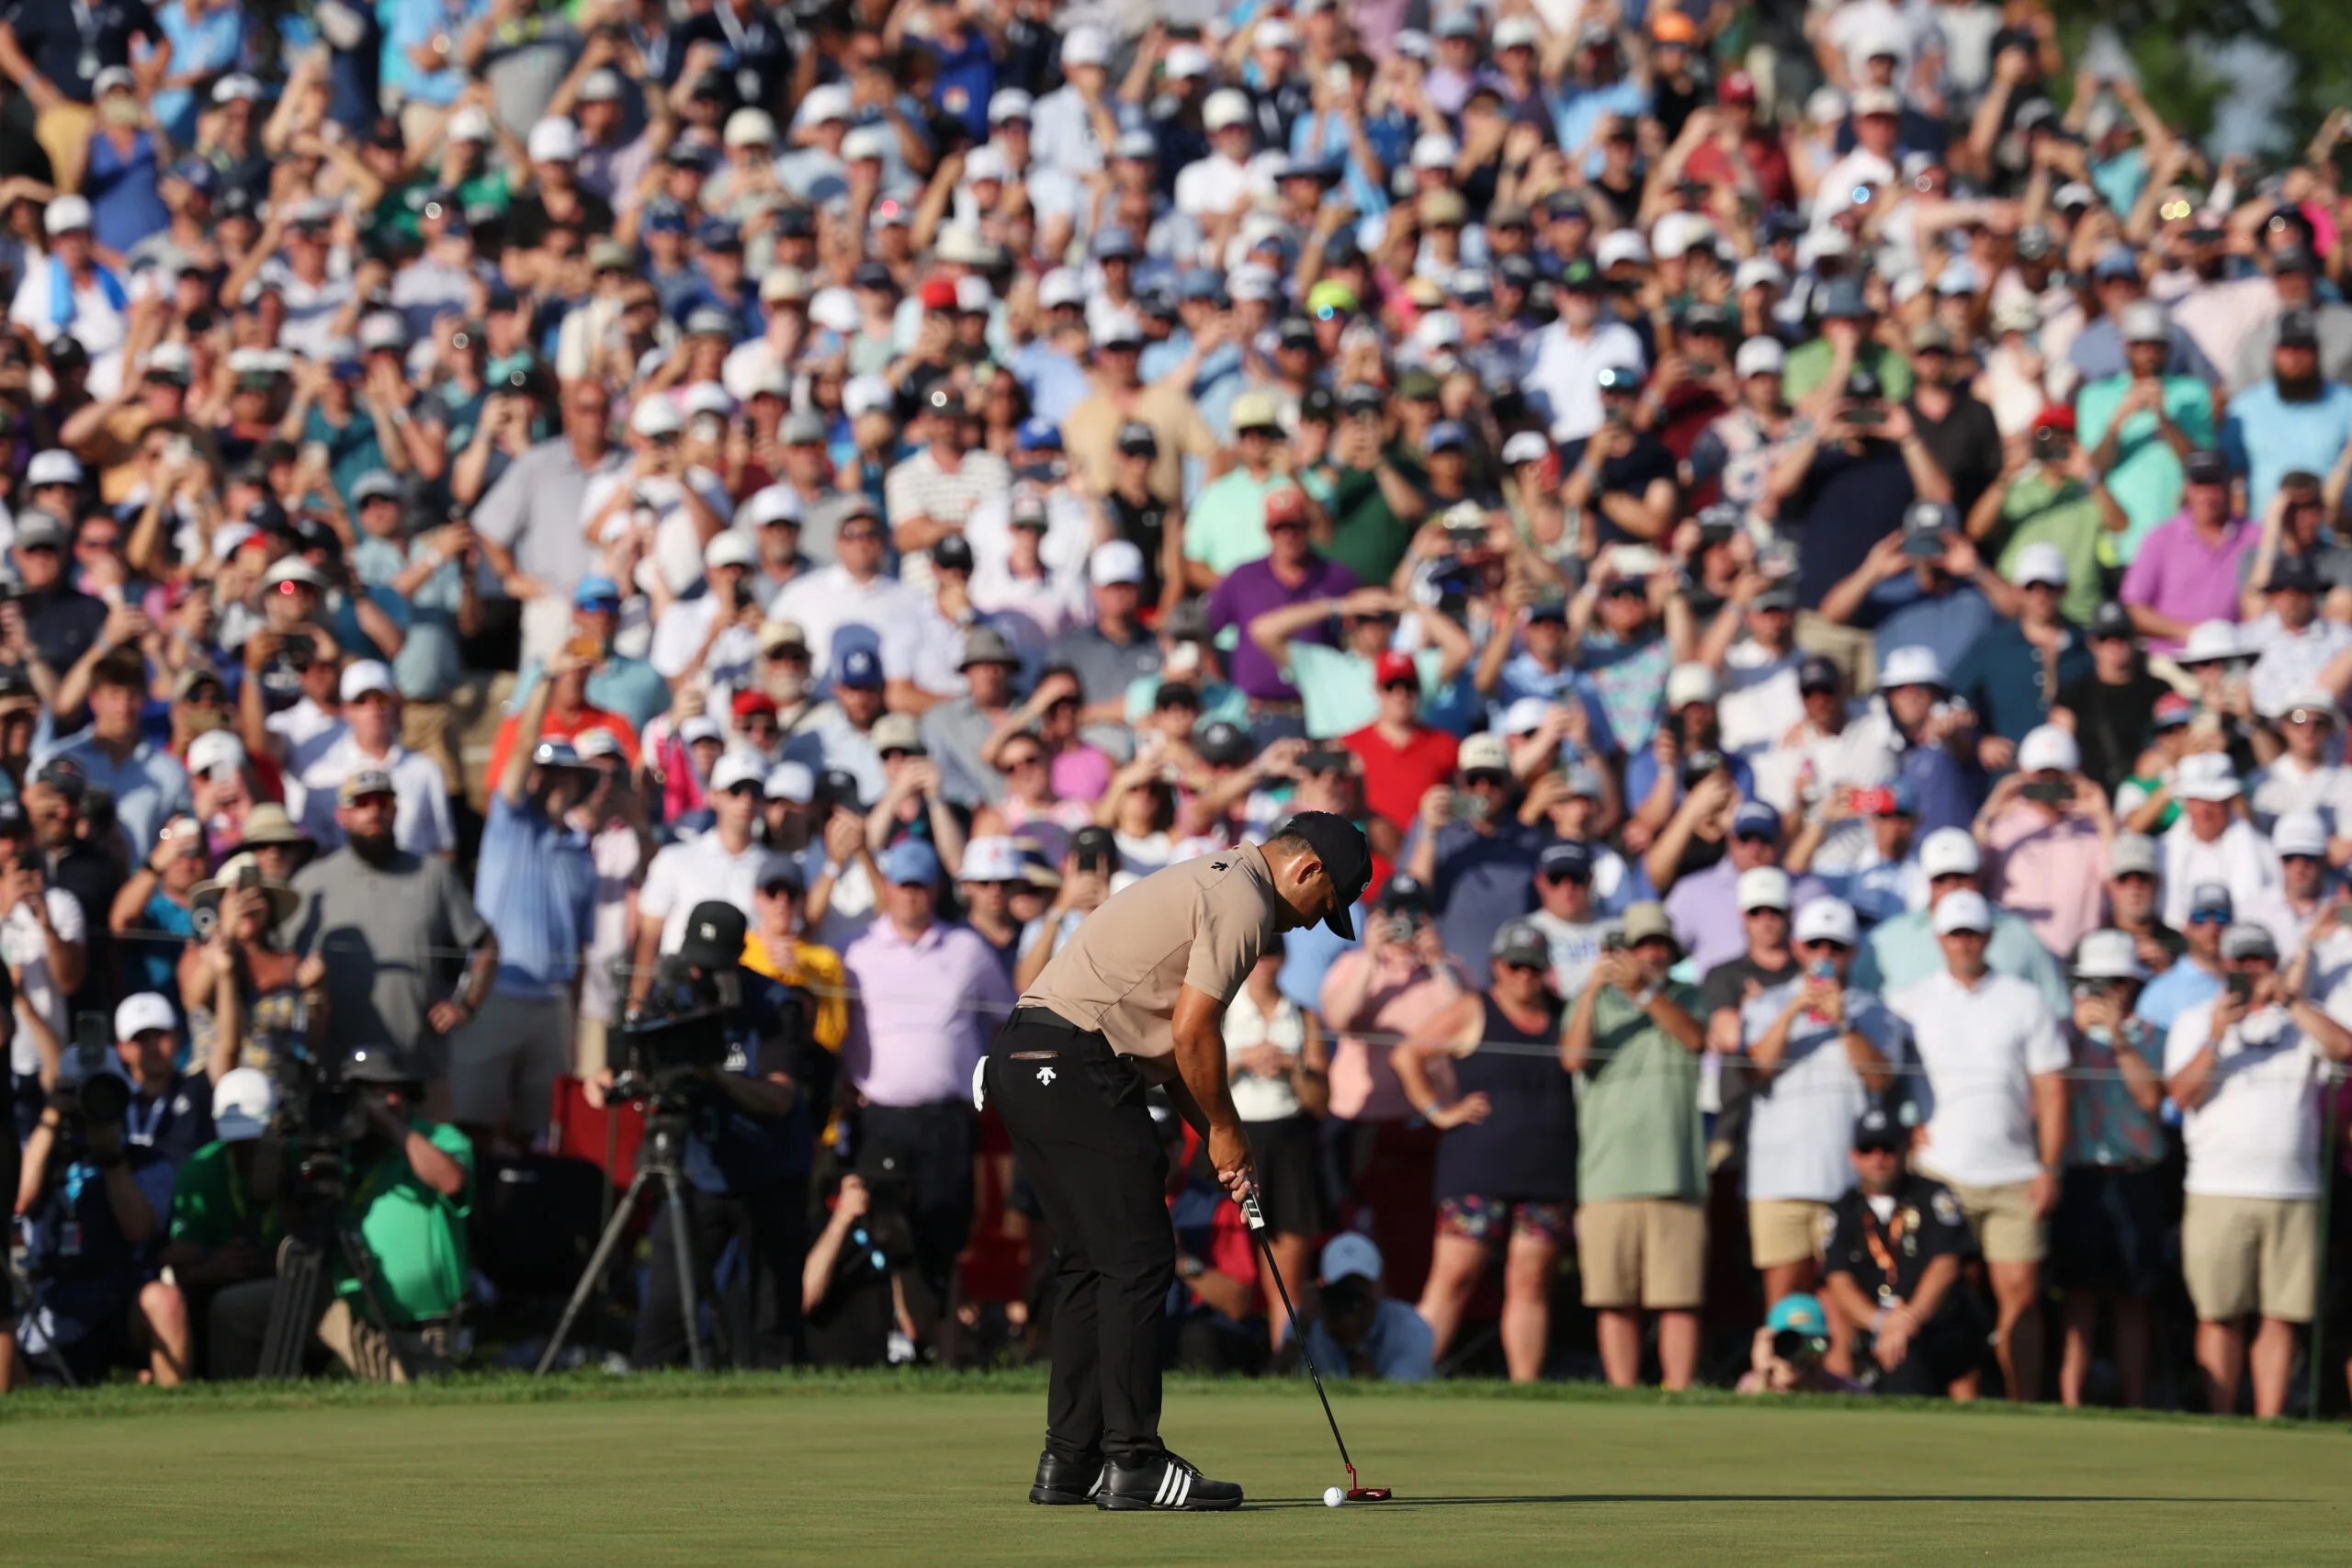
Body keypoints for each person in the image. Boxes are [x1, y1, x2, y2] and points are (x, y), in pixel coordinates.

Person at [984, 813, 1368, 1512]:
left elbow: (1170, 1054)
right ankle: (1133, 1459)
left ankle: (1069, 1461)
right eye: (1327, 908)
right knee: (1136, 1258)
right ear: (1308, 871)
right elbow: (1194, 1031)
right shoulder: (1246, 900)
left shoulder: (1212, 876)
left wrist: (1225, 1135)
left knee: (1088, 1263)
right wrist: (1224, 1128)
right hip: (1077, 1063)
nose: (1316, 925)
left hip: (1023, 1057)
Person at [605, 901, 818, 1371]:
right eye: (694, 961)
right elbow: (640, 1063)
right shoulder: (674, 997)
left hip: (771, 1172)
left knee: (771, 1319)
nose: (699, 973)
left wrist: (715, 1078)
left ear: (739, 958)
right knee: (664, 1311)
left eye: (711, 965)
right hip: (700, 1170)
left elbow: (781, 1097)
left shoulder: (773, 1006)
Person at [2164, 920, 2352, 1416]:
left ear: (2273, 963)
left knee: (2281, 1318)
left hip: (2294, 1191)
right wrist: (2215, 1037)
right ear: (2225, 967)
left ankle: (2267, 1426)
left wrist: (2290, 1001)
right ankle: (2222, 1422)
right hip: (2216, 1188)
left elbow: (2345, 1048)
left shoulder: (2302, 1018)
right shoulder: (2194, 1019)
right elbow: (2181, 1094)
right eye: (2240, 963)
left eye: (2258, 961)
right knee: (2219, 1315)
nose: (2250, 971)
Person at [1888, 889, 2069, 1403]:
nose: (1964, 942)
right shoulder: (1910, 1002)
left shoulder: (2024, 999)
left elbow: (2052, 1088)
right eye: (1954, 933)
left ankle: (2023, 1403)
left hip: (2014, 1171)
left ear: (1988, 937)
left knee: (2022, 1298)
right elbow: (1884, 1078)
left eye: (1972, 933)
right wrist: (1906, 1128)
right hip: (1939, 1171)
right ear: (1939, 939)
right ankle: (1953, 1403)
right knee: (1939, 1297)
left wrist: (2050, 1166)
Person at [204, 1047, 474, 1382]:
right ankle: (240, 1411)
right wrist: (282, 1128)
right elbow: (264, 1187)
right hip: (344, 1305)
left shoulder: (438, 1138)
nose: (374, 1103)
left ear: (404, 1095)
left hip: (420, 1325)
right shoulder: (337, 1143)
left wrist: (390, 1126)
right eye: (363, 1093)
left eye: (385, 1091)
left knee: (413, 1395)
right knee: (233, 1310)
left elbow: (450, 1180)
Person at [840, 840, 1014, 1327]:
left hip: (947, 1117)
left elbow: (1005, 1017)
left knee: (945, 1224)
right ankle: (887, 1333)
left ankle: (935, 1336)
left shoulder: (967, 949)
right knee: (883, 1227)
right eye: (903, 886)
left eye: (920, 887)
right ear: (888, 889)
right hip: (881, 1116)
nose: (911, 896)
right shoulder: (858, 953)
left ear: (935, 890)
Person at [1394, 920, 1575, 1384]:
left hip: (1545, 1170)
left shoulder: (1564, 1013)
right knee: (1454, 1276)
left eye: (1534, 967)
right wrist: (1439, 1111)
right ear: (1497, 967)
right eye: (1515, 966)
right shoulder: (1475, 1008)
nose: (1524, 976)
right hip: (1477, 1169)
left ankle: (1525, 1388)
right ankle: (1408, 1378)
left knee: (1531, 1282)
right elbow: (1408, 1055)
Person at [286, 770, 498, 1119]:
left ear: (397, 810)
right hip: (334, 1074)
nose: (374, 812)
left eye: (383, 802)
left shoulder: (433, 875)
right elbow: (280, 956)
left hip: (419, 1073)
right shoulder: (312, 883)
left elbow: (485, 944)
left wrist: (466, 1005)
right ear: (341, 814)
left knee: (427, 1168)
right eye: (361, 803)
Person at [1561, 901, 1709, 1390]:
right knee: (1614, 1299)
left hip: (1676, 1174)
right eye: (1642, 944)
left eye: (1659, 945)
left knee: (1679, 1298)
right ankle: (1624, 1396)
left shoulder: (1689, 995)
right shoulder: (1593, 1001)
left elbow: (1694, 1039)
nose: (1651, 953)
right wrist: (1593, 989)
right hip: (1608, 1176)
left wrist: (1643, 993)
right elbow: (1573, 1058)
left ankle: (1679, 1394)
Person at [456, 671, 599, 1151]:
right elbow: (520, 749)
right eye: (544, 771)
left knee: (536, 1130)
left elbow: (579, 949)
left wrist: (575, 1023)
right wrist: (548, 682)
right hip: (496, 994)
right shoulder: (508, 822)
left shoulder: (581, 850)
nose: (553, 781)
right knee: (473, 1121)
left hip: (553, 1004)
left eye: (564, 773)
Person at [1739, 897, 1902, 1317]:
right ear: (1797, 948)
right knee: (1784, 1300)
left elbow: (1882, 1078)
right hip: (1779, 1180)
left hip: (1846, 1182)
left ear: (1852, 952)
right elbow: (1755, 1069)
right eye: (1815, 945)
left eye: (1835, 946)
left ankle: (1840, 1382)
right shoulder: (1766, 1004)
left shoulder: (1874, 1011)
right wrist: (1796, 1009)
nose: (1824, 956)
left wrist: (1844, 1022)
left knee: (1843, 1298)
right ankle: (1779, 1379)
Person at [2053, 930, 2168, 1410]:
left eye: (2114, 982)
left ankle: (2137, 1405)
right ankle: (2070, 1405)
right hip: (2082, 1175)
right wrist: (2078, 1042)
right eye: (2094, 983)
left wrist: (2119, 1041)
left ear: (2131, 986)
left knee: (2132, 1300)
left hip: (2137, 1175)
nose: (2104, 993)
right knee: (2078, 1299)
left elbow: (2150, 1100)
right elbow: (2056, 1099)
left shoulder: (2153, 1036)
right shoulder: (2065, 1036)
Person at [1819, 1107, 1984, 1398]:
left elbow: (1946, 1263)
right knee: (1834, 1314)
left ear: (1905, 1150)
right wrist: (1882, 1323)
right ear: (1853, 1156)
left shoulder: (1933, 1195)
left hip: (1933, 1322)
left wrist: (1908, 1320)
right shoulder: (1842, 1209)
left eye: (1888, 1148)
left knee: (1937, 1340)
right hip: (1873, 1324)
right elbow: (1838, 1280)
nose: (1878, 1158)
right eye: (1868, 1149)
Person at [1221, 949, 1329, 1352]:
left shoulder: (1301, 1017)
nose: (1265, 964)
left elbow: (1321, 1101)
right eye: (1258, 956)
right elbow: (1196, 1079)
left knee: (1285, 1273)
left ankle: (1285, 1361)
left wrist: (1291, 1065)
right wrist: (1242, 1061)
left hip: (1288, 1151)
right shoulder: (1226, 1013)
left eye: (1272, 955)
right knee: (1227, 1255)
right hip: (1235, 1142)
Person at [1299, 1233, 1434, 1383]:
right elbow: (1276, 1384)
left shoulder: (1411, 1329)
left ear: (1379, 1286)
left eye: (1359, 1289)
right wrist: (1297, 1333)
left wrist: (1354, 1345)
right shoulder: (1310, 1321)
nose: (1350, 1301)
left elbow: (1392, 1400)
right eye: (1342, 1289)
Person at [1736, 1291, 1862, 1395]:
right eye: (1786, 1343)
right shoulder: (1751, 1383)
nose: (1797, 1352)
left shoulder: (1847, 1390)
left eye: (1808, 1341)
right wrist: (1762, 1376)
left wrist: (1811, 1381)